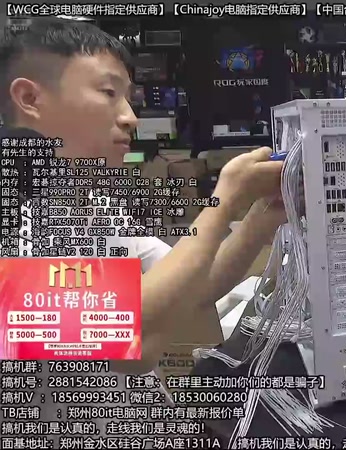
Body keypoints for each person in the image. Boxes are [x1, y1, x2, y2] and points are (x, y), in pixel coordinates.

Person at [0, 18, 285, 446]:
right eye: (107, 93)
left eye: (129, 99)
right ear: (30, 98)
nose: (130, 117)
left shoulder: (92, 206)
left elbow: (195, 281)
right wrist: (224, 200)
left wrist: (262, 216)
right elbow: (128, 339)